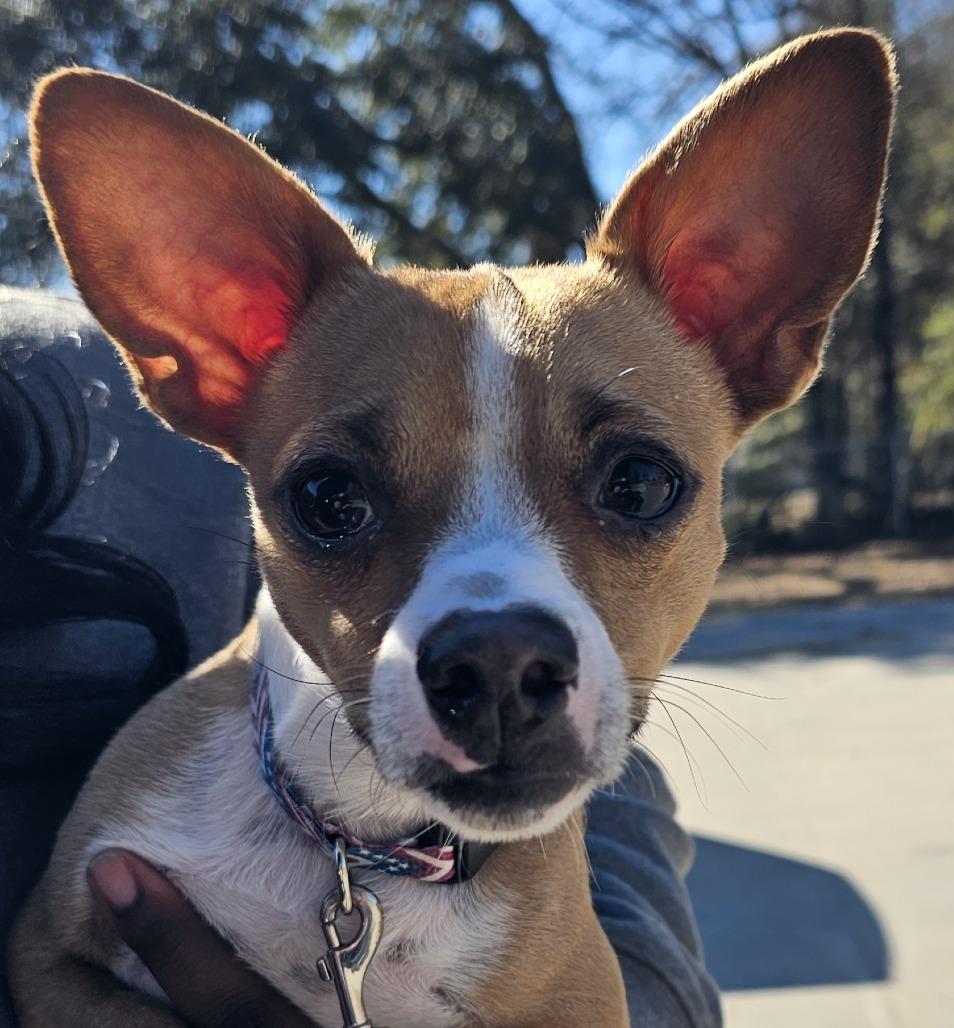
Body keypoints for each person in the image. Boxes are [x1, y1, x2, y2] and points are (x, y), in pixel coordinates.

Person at [0, 285, 722, 1027]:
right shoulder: (160, 786)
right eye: (335, 500)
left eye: (636, 490)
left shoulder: (540, 885)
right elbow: (52, 959)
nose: (504, 659)